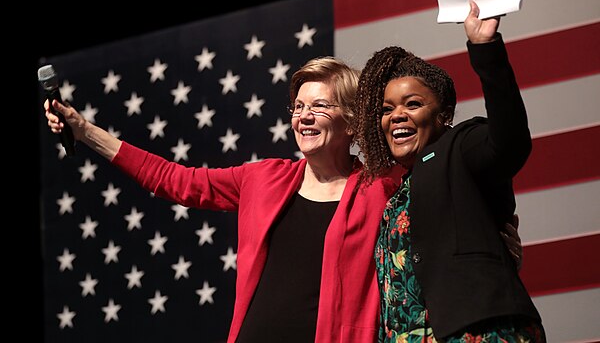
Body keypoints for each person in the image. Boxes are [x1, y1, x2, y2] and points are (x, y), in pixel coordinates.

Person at [43, 55, 524, 342]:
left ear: (354, 122)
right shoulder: (263, 179)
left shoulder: (384, 187)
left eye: (319, 105)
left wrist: (498, 244)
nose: (304, 116)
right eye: (297, 107)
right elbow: (174, 179)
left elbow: (449, 216)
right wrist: (85, 132)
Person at [351, 0, 545, 342]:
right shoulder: (397, 195)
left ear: (444, 114)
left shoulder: (459, 148)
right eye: (386, 109)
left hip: (480, 332)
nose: (396, 115)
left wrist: (485, 48)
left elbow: (510, 141)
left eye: (413, 104)